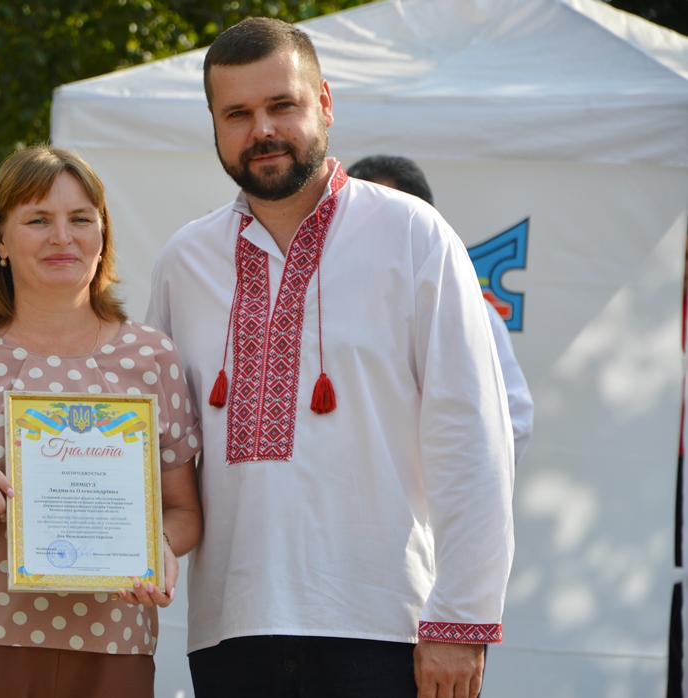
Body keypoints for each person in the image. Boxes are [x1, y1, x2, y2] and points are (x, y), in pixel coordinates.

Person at [146, 18, 514, 698]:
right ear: (216, 128)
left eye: (281, 105)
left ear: (325, 104)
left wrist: (461, 620)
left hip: (386, 628)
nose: (262, 129)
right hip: (232, 628)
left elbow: (472, 434)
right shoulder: (184, 262)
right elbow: (157, 449)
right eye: (238, 113)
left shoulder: (411, 234)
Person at [0, 145, 203, 698]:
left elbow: (184, 508)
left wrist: (158, 548)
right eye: (37, 220)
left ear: (102, 238)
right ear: (0, 241)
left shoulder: (152, 358)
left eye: (80, 219)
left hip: (111, 646)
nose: (62, 237)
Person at [347, 154, 534, 464]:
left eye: (378, 222)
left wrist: (423, 480)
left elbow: (511, 423)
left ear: (421, 221)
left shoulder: (467, 310)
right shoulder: (321, 307)